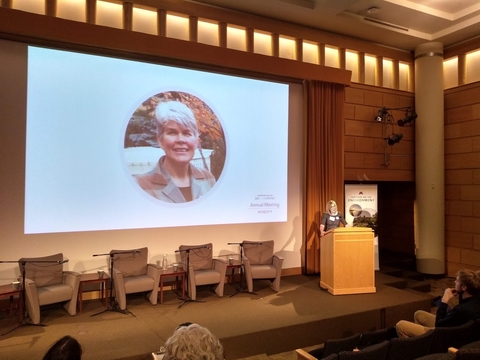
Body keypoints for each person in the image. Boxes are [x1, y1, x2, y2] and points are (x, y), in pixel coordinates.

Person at [134, 101, 216, 203]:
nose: (180, 139)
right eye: (172, 133)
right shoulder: (141, 185)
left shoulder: (208, 179)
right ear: (160, 140)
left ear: (196, 141)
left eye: (187, 133)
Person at [395, 269, 480, 338]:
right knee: (419, 314)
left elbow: (439, 326)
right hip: (454, 328)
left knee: (401, 326)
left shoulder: (461, 310)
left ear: (464, 287)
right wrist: (460, 293)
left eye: (457, 281)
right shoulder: (474, 300)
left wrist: (444, 300)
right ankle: (422, 342)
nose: (454, 282)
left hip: (444, 336)